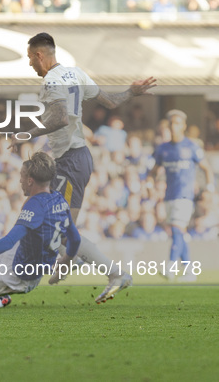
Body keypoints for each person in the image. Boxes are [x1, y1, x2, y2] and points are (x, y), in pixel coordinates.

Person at [11, 32, 156, 303]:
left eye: (31, 58)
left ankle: (110, 271)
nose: (30, 64)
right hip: (74, 158)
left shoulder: (52, 81)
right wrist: (131, 92)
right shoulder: (75, 73)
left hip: (70, 160)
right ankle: (74, 258)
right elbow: (111, 101)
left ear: (40, 55)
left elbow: (61, 118)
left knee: (60, 228)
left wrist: (26, 134)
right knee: (60, 226)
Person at [0, 152, 81, 307]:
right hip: (21, 254)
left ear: (30, 180)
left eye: (22, 176)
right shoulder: (58, 199)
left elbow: (8, 241)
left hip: (20, 276)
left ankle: (0, 300)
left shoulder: (35, 206)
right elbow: (75, 238)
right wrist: (66, 261)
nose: (20, 180)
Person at [149, 109, 214, 282]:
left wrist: (209, 189)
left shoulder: (191, 146)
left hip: (185, 195)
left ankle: (170, 266)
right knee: (179, 233)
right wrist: (149, 184)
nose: (174, 126)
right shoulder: (163, 149)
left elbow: (207, 168)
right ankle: (189, 271)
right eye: (171, 123)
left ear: (183, 125)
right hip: (169, 196)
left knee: (177, 229)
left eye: (177, 123)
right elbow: (154, 171)